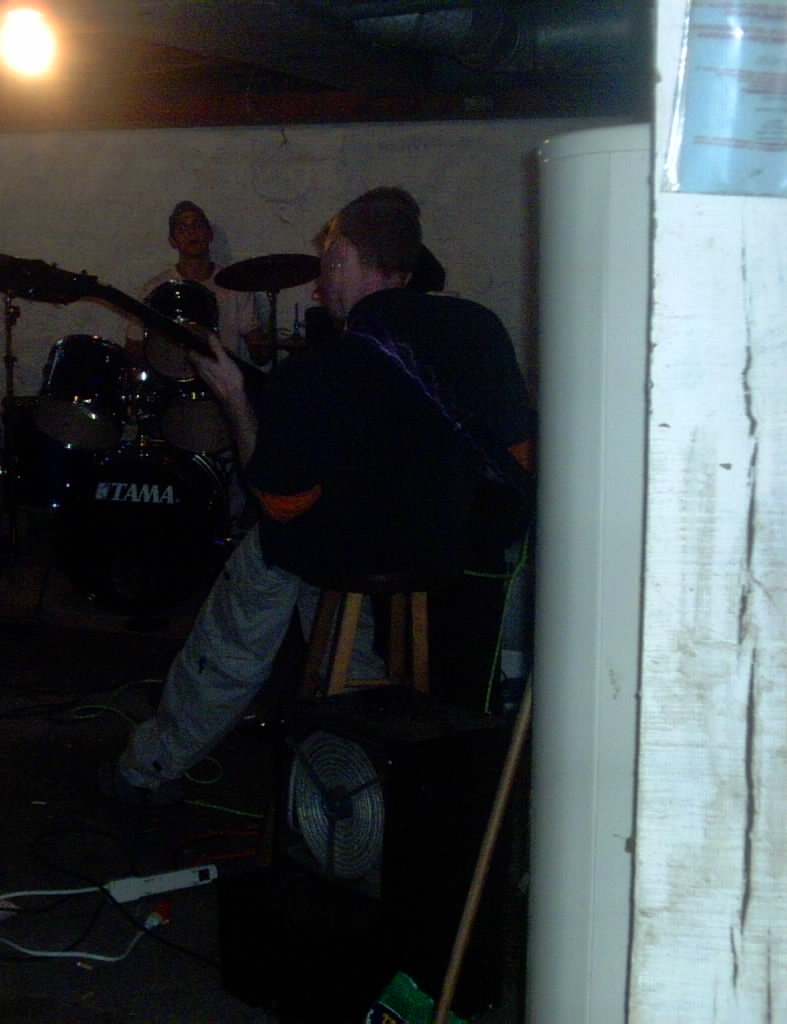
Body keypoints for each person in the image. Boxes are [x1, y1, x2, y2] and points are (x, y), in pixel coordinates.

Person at [107, 187, 534, 805]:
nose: (315, 287)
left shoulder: (317, 371)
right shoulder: (481, 327)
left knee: (255, 590)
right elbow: (520, 454)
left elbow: (277, 505)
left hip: (348, 553)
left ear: (343, 255)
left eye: (325, 263)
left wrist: (235, 400)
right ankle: (353, 730)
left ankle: (149, 766)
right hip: (450, 550)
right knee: (324, 562)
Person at [127, 200, 273, 370]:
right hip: (173, 381)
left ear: (210, 234)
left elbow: (259, 356)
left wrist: (268, 340)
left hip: (223, 381)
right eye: (183, 228)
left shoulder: (234, 285)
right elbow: (134, 346)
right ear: (172, 241)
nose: (192, 232)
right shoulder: (155, 288)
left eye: (198, 225)